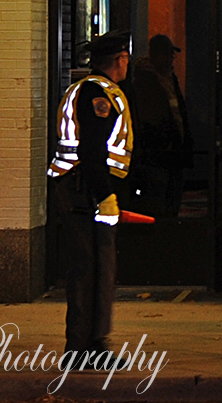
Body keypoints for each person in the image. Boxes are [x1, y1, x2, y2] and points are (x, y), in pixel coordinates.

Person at [47, 32, 134, 355]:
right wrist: (105, 196)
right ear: (118, 60)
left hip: (82, 188)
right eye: (125, 57)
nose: (127, 63)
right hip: (85, 190)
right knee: (92, 268)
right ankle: (84, 348)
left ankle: (90, 345)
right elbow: (92, 149)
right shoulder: (97, 95)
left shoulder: (88, 90)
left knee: (94, 267)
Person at [125, 34, 191, 218]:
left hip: (172, 152)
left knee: (171, 199)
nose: (171, 59)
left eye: (172, 55)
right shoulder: (145, 81)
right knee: (159, 200)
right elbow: (152, 118)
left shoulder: (169, 78)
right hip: (158, 154)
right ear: (155, 55)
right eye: (167, 55)